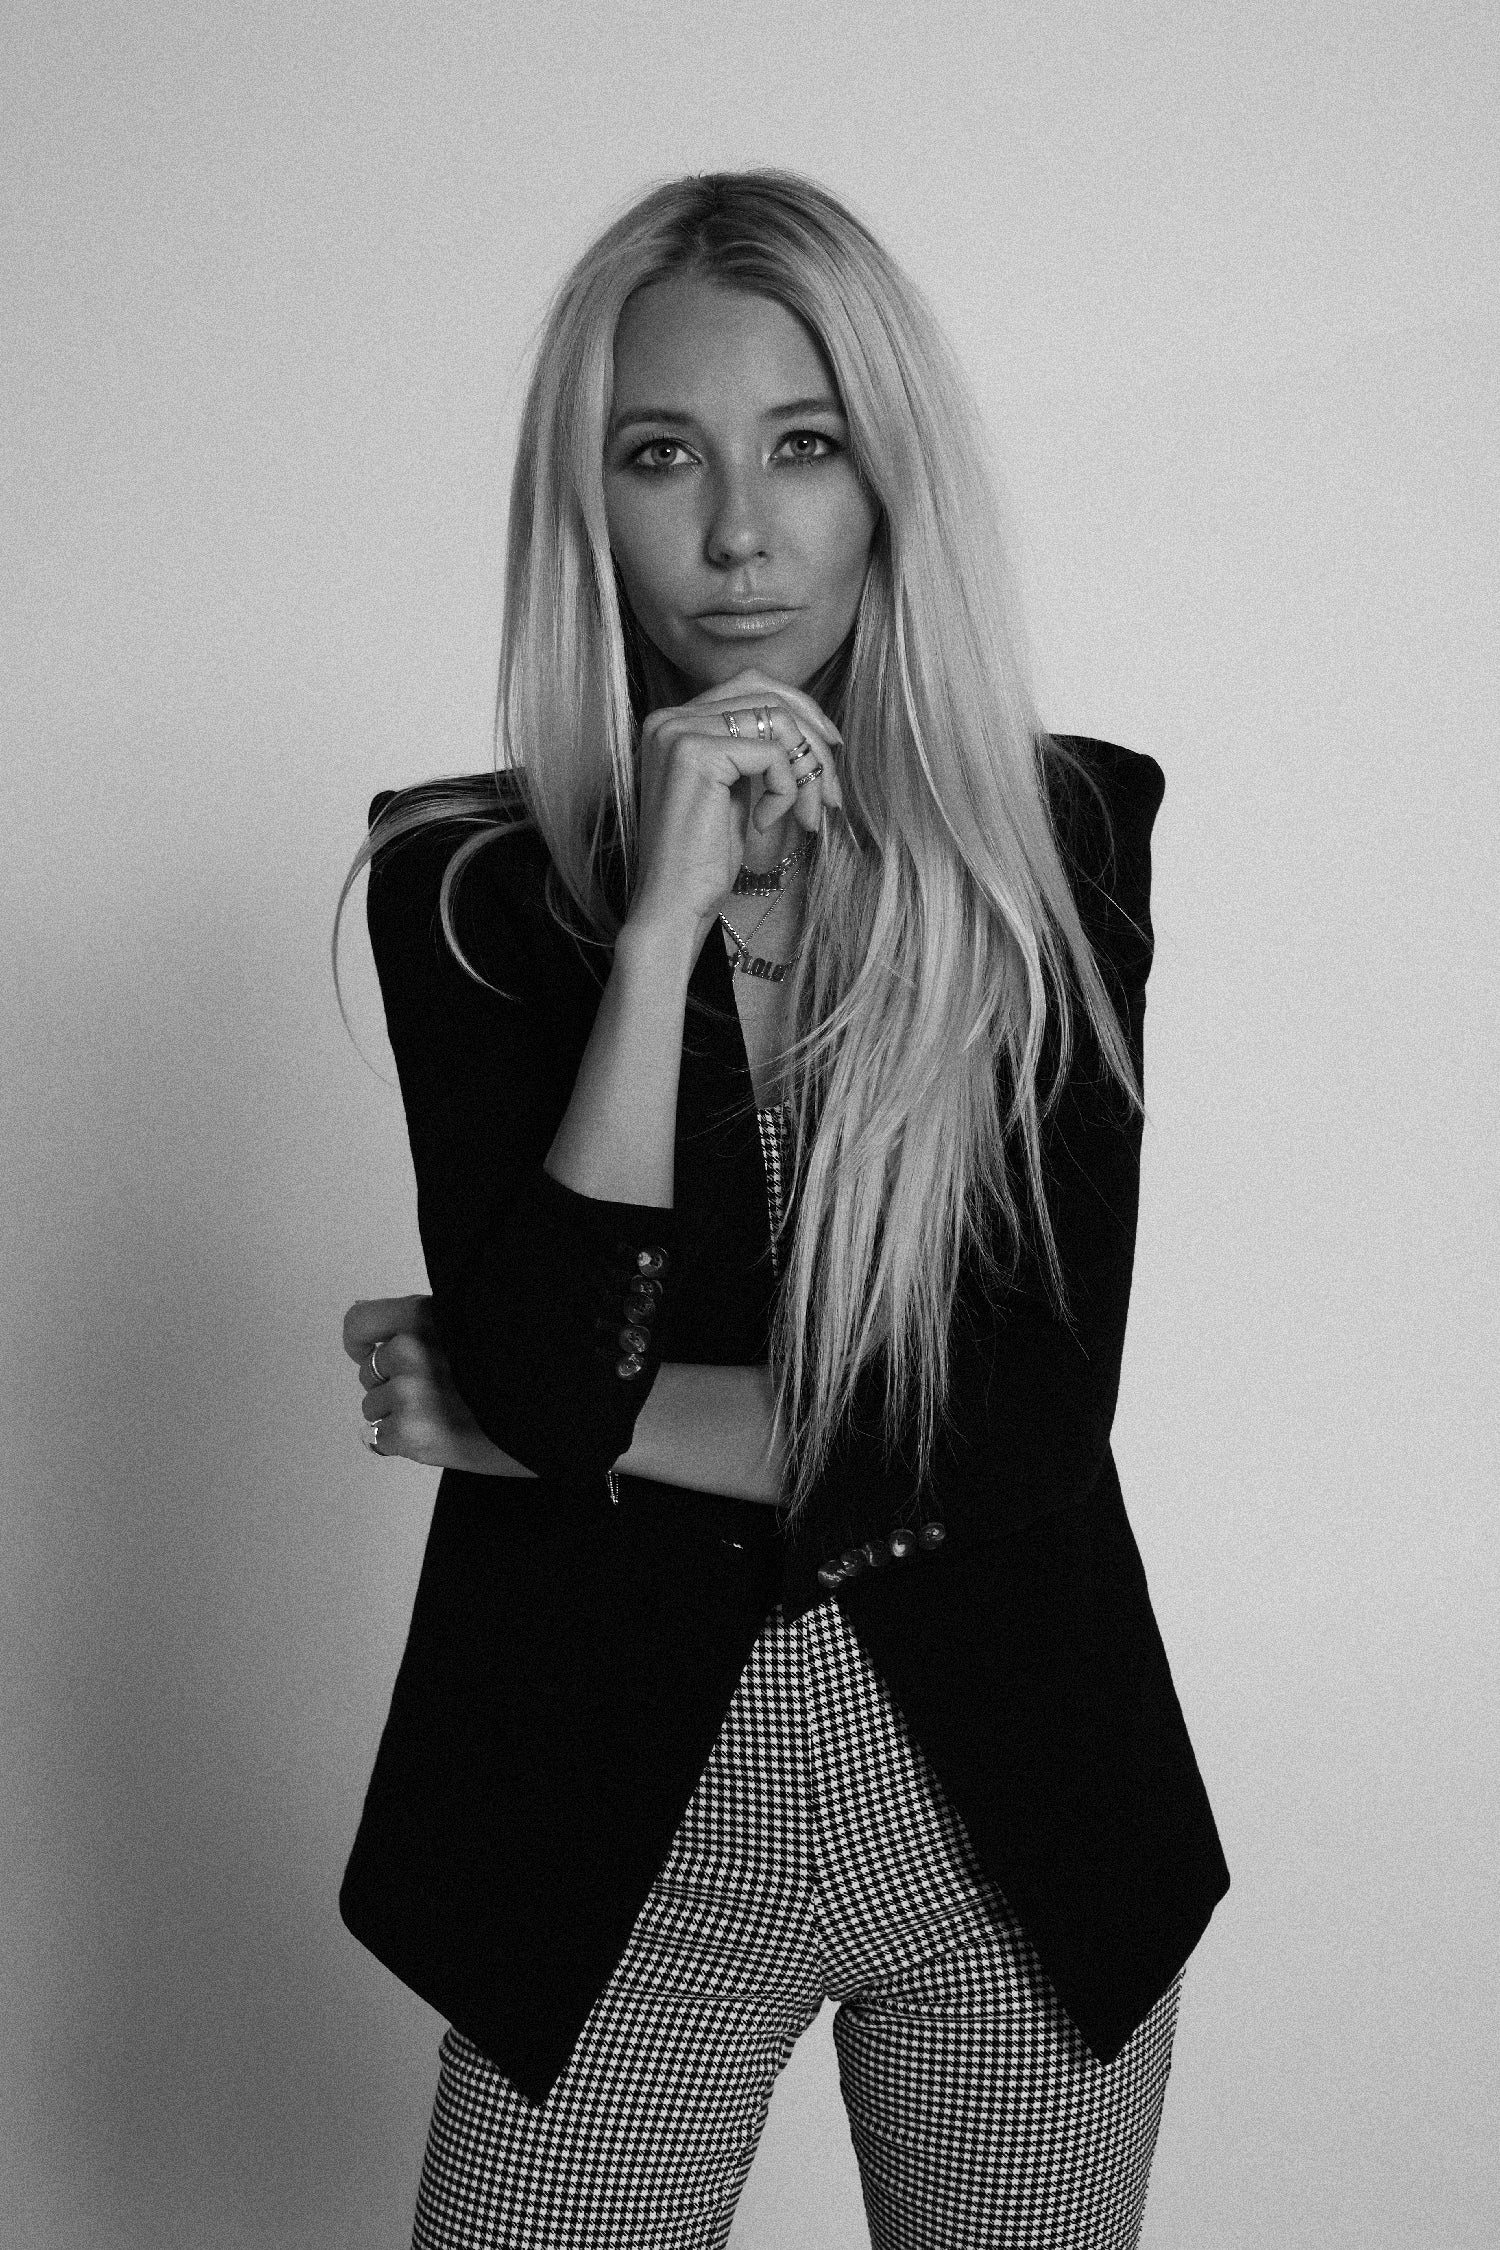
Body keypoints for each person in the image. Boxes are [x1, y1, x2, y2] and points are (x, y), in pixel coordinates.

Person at [334, 168, 1230, 2250]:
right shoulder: (463, 889)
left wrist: (566, 1420)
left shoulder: (1055, 845)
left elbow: (1015, 1418)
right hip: (611, 1842)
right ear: (587, 499)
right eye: (664, 455)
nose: (738, 532)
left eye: (803, 445)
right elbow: (560, 1366)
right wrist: (655, 931)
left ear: (889, 479)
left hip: (1014, 1826)